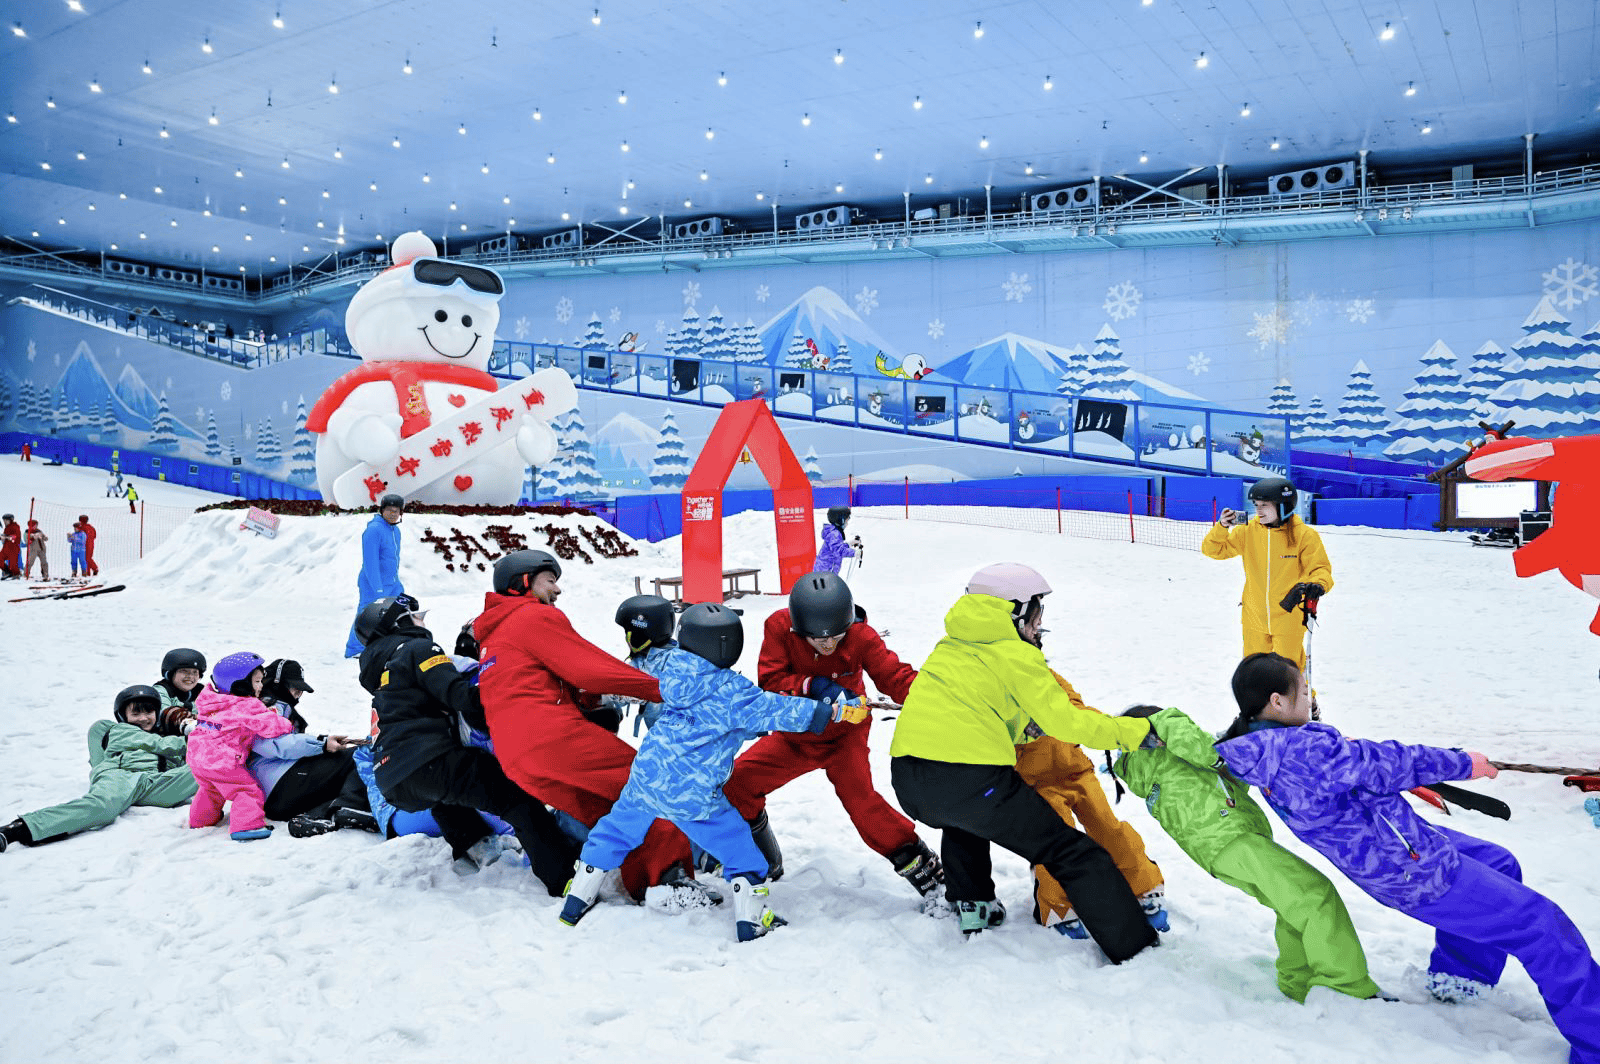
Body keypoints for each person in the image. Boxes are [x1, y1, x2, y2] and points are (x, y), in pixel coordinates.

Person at [1216, 652, 1600, 1062]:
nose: (1310, 695)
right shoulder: (1303, 753)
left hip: (1397, 844)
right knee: (1542, 925)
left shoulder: (1263, 748)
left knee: (1500, 862)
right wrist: (1463, 763)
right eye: (1302, 688)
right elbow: (1390, 762)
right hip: (1414, 868)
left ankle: (1460, 979)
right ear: (1276, 702)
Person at [888, 563, 1158, 961]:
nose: (1039, 624)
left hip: (909, 780)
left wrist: (1018, 731)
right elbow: (1068, 722)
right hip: (972, 780)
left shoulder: (950, 646)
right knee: (1072, 852)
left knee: (962, 822)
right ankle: (1134, 948)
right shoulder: (1014, 652)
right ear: (1015, 610)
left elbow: (970, 713)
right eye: (1036, 614)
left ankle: (973, 905)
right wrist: (1136, 732)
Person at [561, 601, 863, 939]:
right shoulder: (733, 693)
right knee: (739, 848)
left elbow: (635, 669)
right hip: (694, 795)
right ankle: (751, 920)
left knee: (613, 834)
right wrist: (833, 711)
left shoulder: (669, 665)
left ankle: (576, 900)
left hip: (645, 780)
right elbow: (781, 709)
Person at [1113, 702, 1382, 1003]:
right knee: (1314, 895)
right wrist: (1165, 720)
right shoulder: (1162, 739)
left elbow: (1232, 777)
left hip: (1219, 847)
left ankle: (1299, 981)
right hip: (1228, 835)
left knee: (1290, 903)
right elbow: (1207, 751)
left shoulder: (1163, 766)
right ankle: (1345, 987)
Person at [474, 549, 699, 901]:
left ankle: (647, 884)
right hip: (551, 737)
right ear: (523, 583)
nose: (557, 590)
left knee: (611, 810)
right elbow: (588, 668)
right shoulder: (532, 617)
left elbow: (531, 687)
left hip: (518, 760)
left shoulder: (492, 639)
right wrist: (661, 688)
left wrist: (587, 700)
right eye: (550, 581)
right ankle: (669, 883)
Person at [725, 571, 942, 899]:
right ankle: (762, 859)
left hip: (845, 738)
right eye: (817, 638)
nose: (828, 643)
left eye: (836, 636)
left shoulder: (861, 635)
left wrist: (942, 695)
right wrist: (811, 686)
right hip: (795, 736)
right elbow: (771, 682)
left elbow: (894, 677)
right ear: (799, 628)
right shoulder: (779, 628)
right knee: (739, 782)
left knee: (861, 801)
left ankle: (921, 865)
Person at [358, 595, 578, 891]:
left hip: (391, 779)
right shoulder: (418, 649)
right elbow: (461, 697)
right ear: (399, 621)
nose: (422, 620)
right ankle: (563, 879)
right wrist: (513, 691)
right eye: (416, 614)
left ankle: (474, 845)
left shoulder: (385, 670)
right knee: (515, 797)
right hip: (427, 758)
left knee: (445, 795)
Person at [0, 685, 197, 853]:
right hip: (122, 776)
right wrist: (190, 736)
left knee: (205, 770)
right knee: (104, 806)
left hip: (154, 784)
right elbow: (161, 744)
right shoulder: (119, 730)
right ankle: (18, 830)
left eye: (148, 712)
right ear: (123, 715)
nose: (143, 718)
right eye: (135, 713)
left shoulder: (164, 735)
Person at [1201, 477, 1332, 670]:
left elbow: (1320, 569)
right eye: (1256, 504)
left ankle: (1303, 700)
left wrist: (1317, 584)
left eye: (1264, 505)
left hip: (1289, 615)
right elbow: (1213, 550)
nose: (1258, 510)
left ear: (1283, 505)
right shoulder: (1247, 531)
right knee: (1255, 671)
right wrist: (1222, 528)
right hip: (1254, 616)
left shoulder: (1304, 535)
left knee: (1289, 671)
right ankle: (1260, 701)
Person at [247, 659, 376, 837]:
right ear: (278, 683)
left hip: (273, 796)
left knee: (339, 772)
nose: (298, 694)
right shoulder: (270, 706)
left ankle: (316, 815)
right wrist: (321, 745)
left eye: (301, 691)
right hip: (278, 785)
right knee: (356, 756)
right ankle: (350, 806)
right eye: (295, 688)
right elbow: (271, 743)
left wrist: (322, 741)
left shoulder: (266, 705)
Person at [186, 652, 294, 842]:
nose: (261, 686)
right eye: (258, 681)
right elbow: (271, 726)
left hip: (197, 758)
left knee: (210, 790)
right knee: (246, 790)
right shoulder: (247, 706)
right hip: (224, 762)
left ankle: (200, 820)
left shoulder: (211, 700)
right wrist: (284, 722)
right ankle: (246, 827)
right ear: (240, 684)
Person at [345, 493, 406, 657]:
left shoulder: (395, 531)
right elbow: (370, 562)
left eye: (397, 511)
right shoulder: (373, 530)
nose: (393, 514)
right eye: (389, 510)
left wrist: (396, 583)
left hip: (392, 582)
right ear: (382, 510)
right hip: (373, 583)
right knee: (366, 614)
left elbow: (393, 559)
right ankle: (355, 649)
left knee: (399, 609)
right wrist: (377, 589)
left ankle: (390, 644)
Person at [154, 647, 206, 736]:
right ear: (170, 673)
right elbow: (165, 713)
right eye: (184, 671)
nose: (190, 676)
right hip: (167, 739)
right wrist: (211, 727)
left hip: (199, 736)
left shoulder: (203, 692)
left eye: (194, 672)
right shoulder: (160, 690)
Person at [815, 506, 857, 575]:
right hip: (824, 573)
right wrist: (854, 553)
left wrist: (849, 544)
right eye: (847, 519)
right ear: (841, 520)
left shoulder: (834, 532)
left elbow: (836, 547)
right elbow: (838, 551)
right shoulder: (834, 534)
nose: (848, 521)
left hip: (826, 571)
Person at [0, 513, 20, 580]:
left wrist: (5, 537)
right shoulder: (6, 528)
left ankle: (16, 574)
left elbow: (14, 537)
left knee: (13, 564)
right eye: (4, 520)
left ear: (11, 520)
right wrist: (2, 537)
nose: (4, 522)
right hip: (6, 548)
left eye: (6, 520)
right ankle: (7, 572)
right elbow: (5, 537)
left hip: (13, 548)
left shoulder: (15, 526)